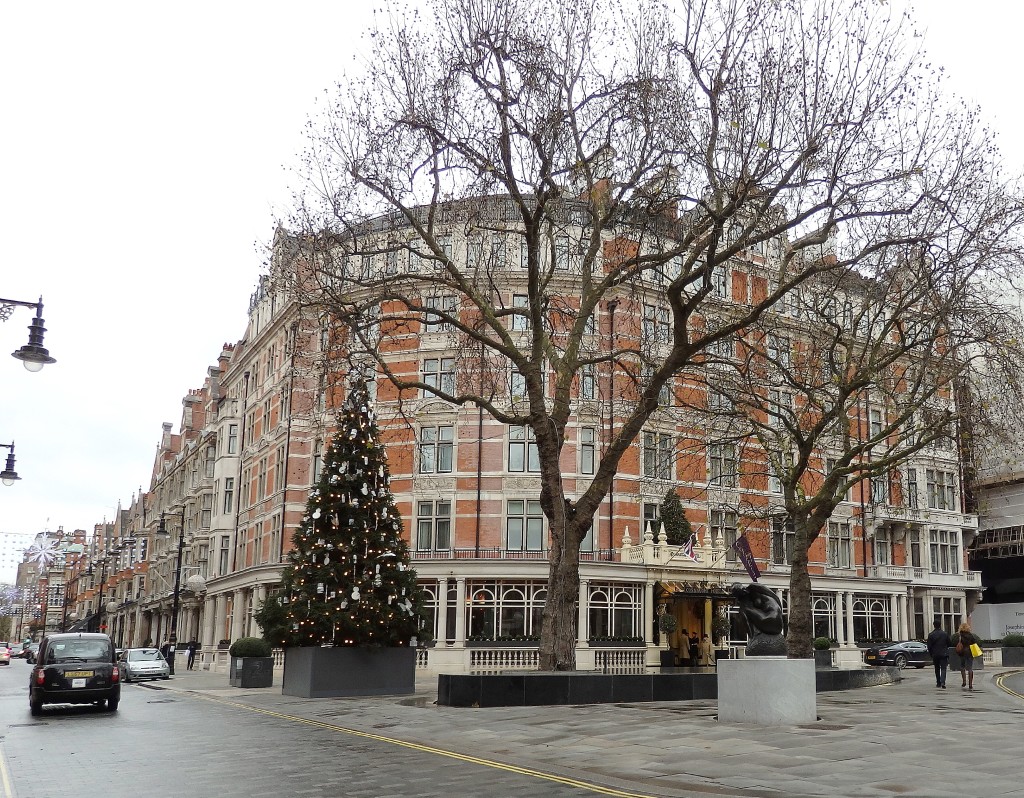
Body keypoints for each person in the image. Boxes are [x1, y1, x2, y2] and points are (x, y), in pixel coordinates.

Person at [926, 619, 952, 689]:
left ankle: (938, 682)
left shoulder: (931, 635)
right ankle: (943, 681)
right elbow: (949, 643)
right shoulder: (945, 634)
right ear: (940, 625)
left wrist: (931, 653)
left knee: (937, 668)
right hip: (943, 653)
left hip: (935, 654)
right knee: (943, 668)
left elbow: (929, 646)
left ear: (934, 625)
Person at [957, 622, 979, 691]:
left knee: (962, 666)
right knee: (970, 668)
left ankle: (964, 681)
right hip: (970, 652)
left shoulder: (960, 635)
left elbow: (958, 643)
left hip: (962, 652)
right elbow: (974, 643)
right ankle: (970, 684)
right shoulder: (971, 635)